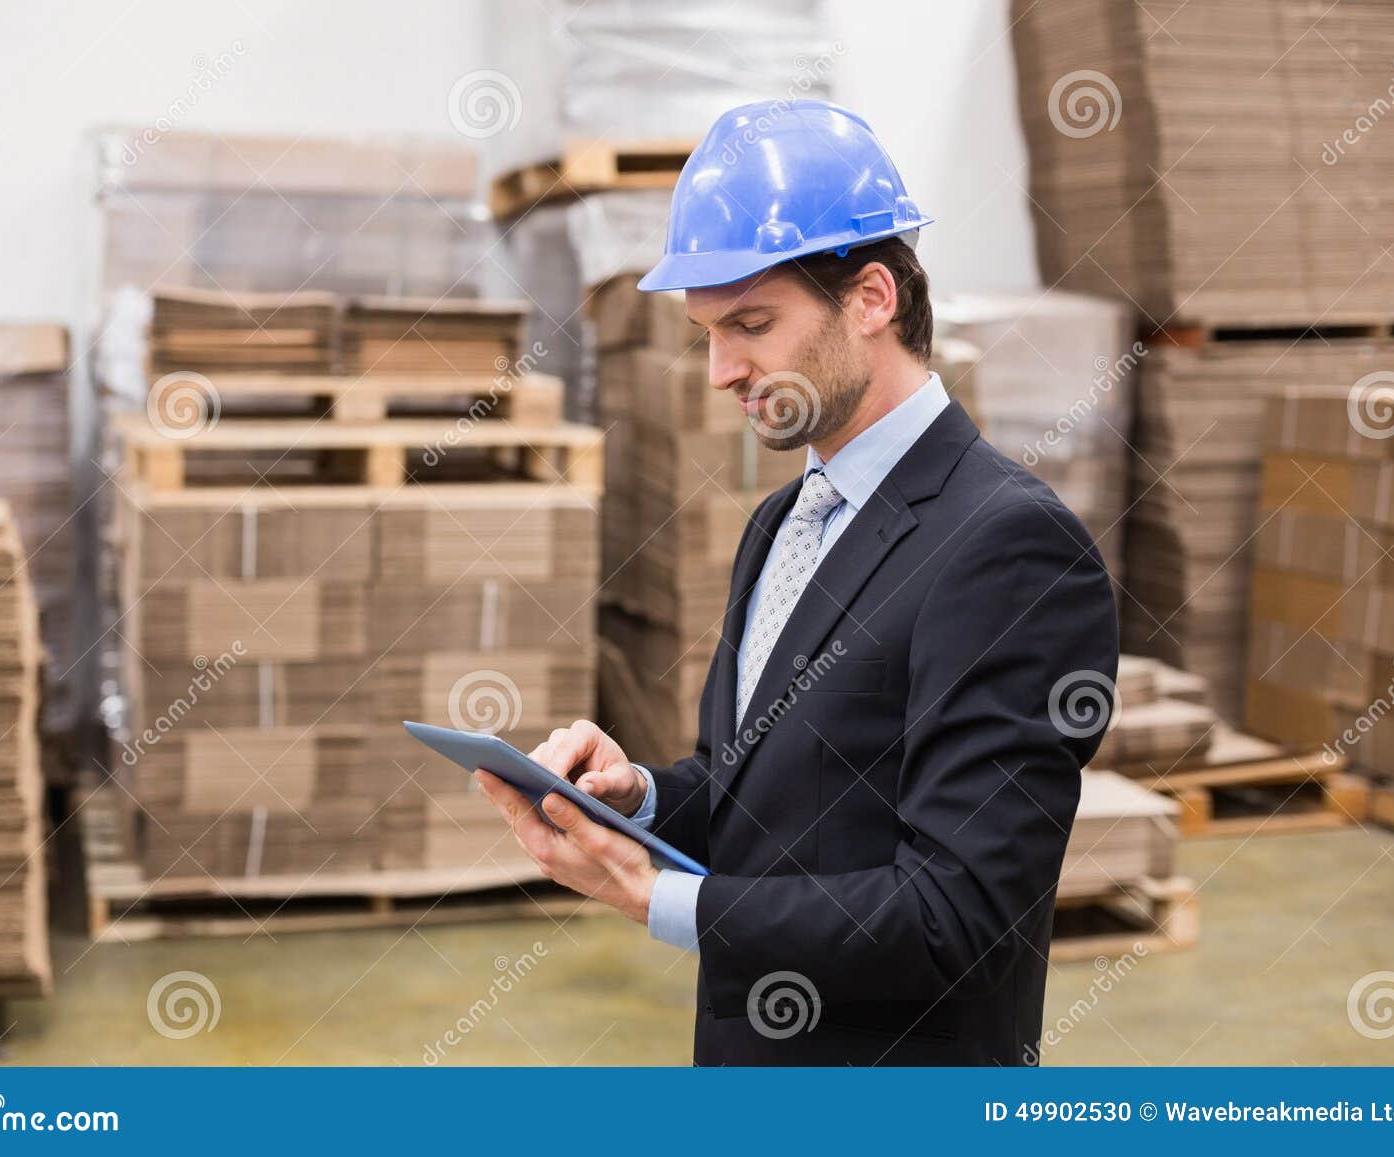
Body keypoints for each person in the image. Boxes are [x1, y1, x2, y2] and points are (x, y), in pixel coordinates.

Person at [476, 99, 1120, 1066]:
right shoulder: (784, 522)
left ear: (871, 298)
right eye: (705, 332)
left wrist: (654, 895)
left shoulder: (1011, 549)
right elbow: (765, 798)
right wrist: (639, 797)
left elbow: (961, 914)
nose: (719, 371)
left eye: (750, 324)